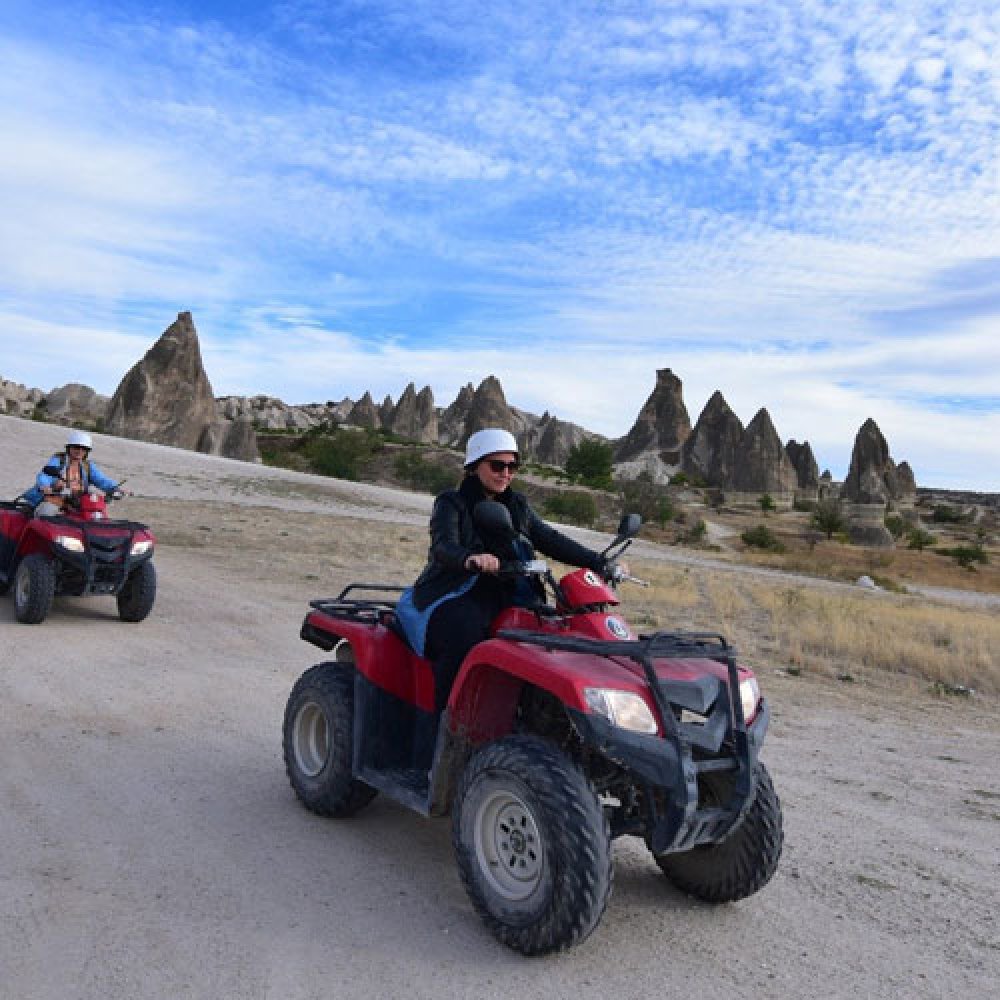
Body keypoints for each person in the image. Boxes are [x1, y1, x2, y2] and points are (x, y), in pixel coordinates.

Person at [396, 428, 623, 724]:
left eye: (512, 466)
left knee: (559, 634)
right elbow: (443, 545)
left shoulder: (517, 506)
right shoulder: (452, 502)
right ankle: (447, 726)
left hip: (511, 590)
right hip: (460, 588)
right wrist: (470, 558)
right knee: (465, 636)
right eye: (497, 465)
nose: (505, 474)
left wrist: (599, 562)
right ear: (475, 465)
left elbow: (549, 538)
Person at [23, 430, 123, 517]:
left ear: (87, 452)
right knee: (45, 513)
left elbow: (101, 479)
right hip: (55, 499)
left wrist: (115, 488)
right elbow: (45, 475)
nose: (79, 451)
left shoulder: (87, 466)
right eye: (76, 447)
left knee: (98, 516)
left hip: (78, 502)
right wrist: (45, 486)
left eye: (84, 449)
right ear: (69, 448)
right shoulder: (58, 460)